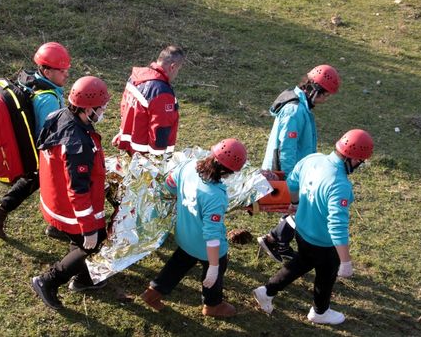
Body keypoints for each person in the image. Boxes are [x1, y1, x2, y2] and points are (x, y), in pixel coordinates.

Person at [252, 129, 374, 325]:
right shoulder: (340, 185)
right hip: (323, 242)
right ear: (352, 158)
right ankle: (320, 311)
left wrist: (296, 205)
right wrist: (345, 261)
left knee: (302, 262)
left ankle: (267, 291)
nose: (359, 164)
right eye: (360, 160)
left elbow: (291, 185)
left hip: (301, 230)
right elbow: (337, 225)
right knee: (326, 275)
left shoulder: (313, 159)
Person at [140, 138, 247, 318]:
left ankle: (153, 292)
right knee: (217, 267)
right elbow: (212, 235)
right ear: (227, 171)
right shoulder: (215, 195)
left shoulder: (188, 166)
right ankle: (213, 305)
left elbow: (170, 185)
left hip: (184, 235)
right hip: (207, 247)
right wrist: (213, 265)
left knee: (179, 263)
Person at [30, 76, 111, 310]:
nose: (104, 110)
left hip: (55, 197)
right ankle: (48, 281)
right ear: (87, 108)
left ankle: (85, 279)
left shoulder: (58, 116)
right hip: (72, 208)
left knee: (84, 241)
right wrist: (88, 227)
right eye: (102, 107)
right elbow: (78, 188)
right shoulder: (79, 144)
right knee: (90, 244)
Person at [0, 42, 71, 240]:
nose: (66, 74)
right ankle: (58, 226)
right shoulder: (47, 99)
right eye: (62, 70)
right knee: (63, 183)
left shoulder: (32, 80)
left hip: (33, 149)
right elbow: (50, 133)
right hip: (46, 150)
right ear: (47, 71)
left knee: (34, 179)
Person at [257, 65, 341, 262]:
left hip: (300, 169)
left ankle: (279, 241)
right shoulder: (295, 111)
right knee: (303, 207)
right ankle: (274, 240)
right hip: (291, 172)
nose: (325, 100)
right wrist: (290, 181)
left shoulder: (301, 105)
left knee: (302, 207)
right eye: (325, 95)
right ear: (314, 90)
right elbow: (286, 149)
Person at [112, 45, 186, 156]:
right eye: (178, 70)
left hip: (128, 147)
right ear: (173, 67)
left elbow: (124, 108)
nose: (177, 74)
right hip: (144, 156)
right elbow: (160, 129)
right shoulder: (161, 93)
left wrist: (121, 133)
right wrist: (159, 158)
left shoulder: (135, 78)